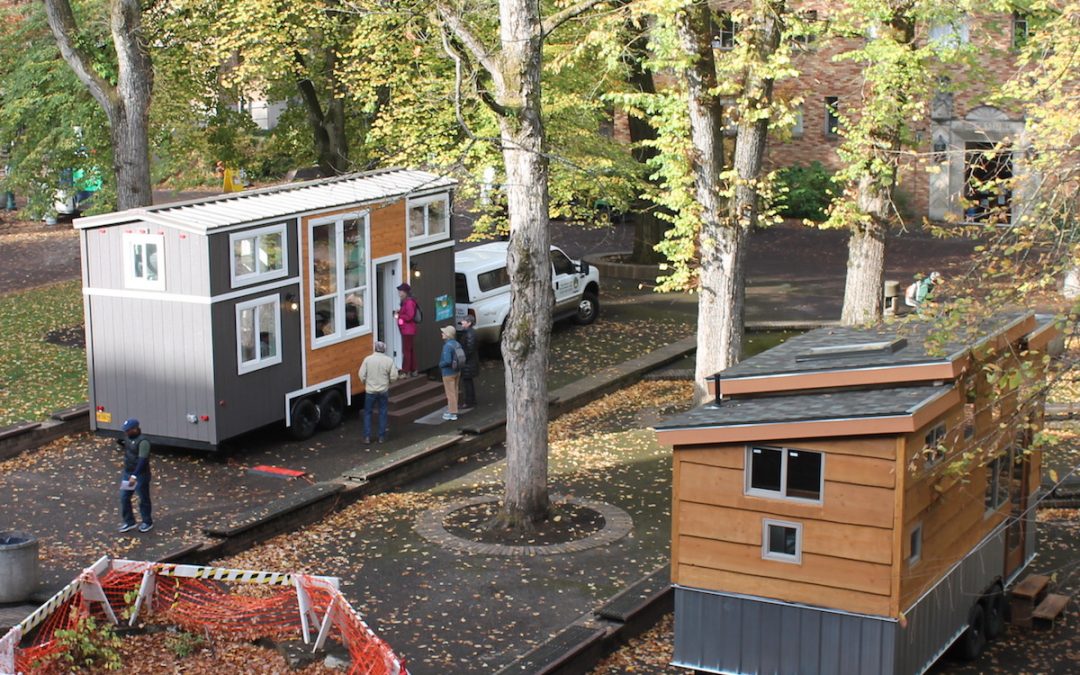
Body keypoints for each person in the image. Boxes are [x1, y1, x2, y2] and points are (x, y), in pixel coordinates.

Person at [116, 418, 153, 534]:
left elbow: (142, 460)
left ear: (135, 429)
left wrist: (135, 475)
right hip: (128, 473)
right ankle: (129, 521)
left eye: (128, 430)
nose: (126, 433)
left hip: (140, 475)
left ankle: (147, 521)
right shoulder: (128, 438)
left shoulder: (143, 442)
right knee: (124, 497)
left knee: (143, 498)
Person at [358, 341, 399, 444]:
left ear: (374, 348)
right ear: (384, 349)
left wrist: (365, 382)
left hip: (370, 391)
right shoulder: (389, 361)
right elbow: (394, 376)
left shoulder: (367, 360)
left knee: (368, 413)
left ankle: (367, 437)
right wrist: (388, 382)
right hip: (383, 390)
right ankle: (381, 437)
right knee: (383, 412)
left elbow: (361, 374)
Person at [439, 325, 462, 421]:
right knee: (455, 391)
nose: (442, 334)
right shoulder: (457, 344)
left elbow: (447, 361)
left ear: (447, 335)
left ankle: (452, 412)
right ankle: (454, 409)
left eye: (443, 332)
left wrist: (440, 364)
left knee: (450, 393)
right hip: (457, 371)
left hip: (448, 373)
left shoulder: (447, 347)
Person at [396, 283, 420, 377]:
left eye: (401, 291)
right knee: (410, 350)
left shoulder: (409, 302)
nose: (399, 293)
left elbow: (409, 316)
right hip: (408, 330)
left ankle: (405, 371)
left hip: (408, 330)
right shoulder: (408, 302)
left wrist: (399, 316)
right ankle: (413, 369)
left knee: (406, 350)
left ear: (405, 292)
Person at [457, 314, 480, 409]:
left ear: (469, 323)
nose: (462, 322)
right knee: (468, 382)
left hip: (468, 362)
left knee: (467, 383)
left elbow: (469, 349)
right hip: (471, 362)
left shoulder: (469, 334)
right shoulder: (470, 333)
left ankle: (469, 401)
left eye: (464, 321)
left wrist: (462, 357)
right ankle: (471, 400)